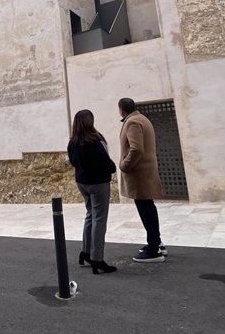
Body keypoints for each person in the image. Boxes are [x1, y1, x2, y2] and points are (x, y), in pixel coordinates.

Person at [67, 109, 117, 274]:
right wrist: (112, 168)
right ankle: (97, 258)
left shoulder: (72, 142)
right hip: (98, 182)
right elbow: (106, 163)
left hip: (82, 182)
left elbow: (73, 162)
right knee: (99, 219)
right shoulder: (95, 141)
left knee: (90, 215)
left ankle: (86, 251)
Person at [118, 98, 166, 263]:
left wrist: (124, 165)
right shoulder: (143, 119)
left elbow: (136, 149)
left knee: (146, 209)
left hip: (139, 174)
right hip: (144, 172)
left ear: (121, 110)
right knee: (148, 207)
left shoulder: (132, 122)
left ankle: (154, 248)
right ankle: (156, 242)